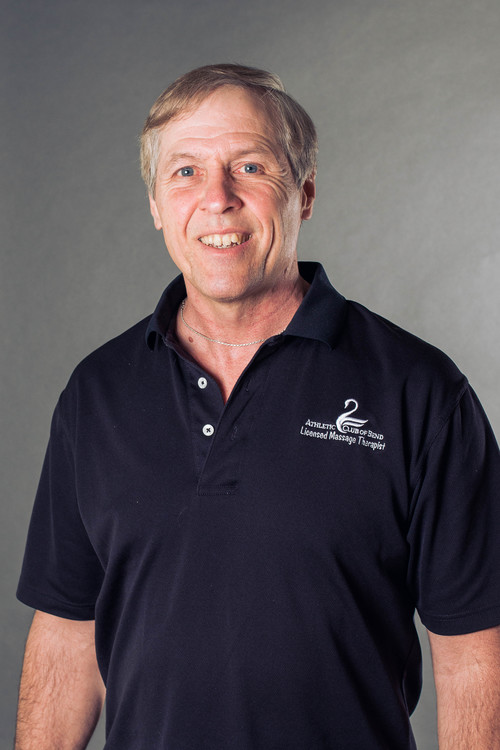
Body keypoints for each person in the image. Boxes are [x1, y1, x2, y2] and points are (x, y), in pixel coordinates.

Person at [15, 63, 500, 749]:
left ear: (302, 194)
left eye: (250, 167)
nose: (217, 198)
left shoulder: (419, 391)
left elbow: (476, 650)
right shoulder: (97, 394)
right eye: (184, 172)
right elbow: (67, 633)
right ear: (156, 204)